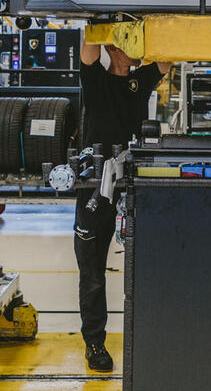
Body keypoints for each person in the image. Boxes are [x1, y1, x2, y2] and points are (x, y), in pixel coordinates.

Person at [74, 40, 171, 372]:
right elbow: (88, 51)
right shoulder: (96, 80)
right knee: (92, 272)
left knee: (150, 267)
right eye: (128, 41)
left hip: (134, 183)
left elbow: (167, 60)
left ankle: (154, 337)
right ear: (113, 49)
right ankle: (94, 343)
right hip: (96, 185)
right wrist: (98, 25)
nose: (136, 48)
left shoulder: (139, 80)